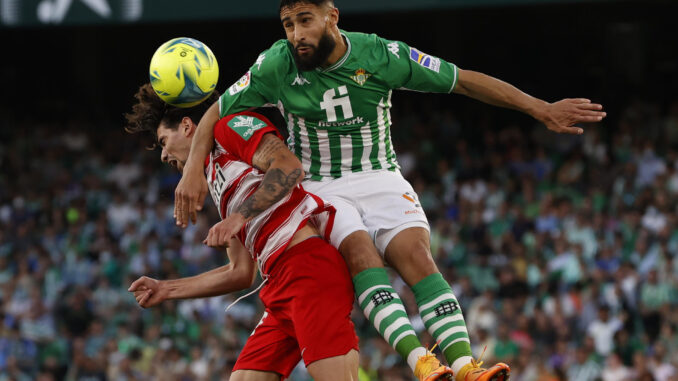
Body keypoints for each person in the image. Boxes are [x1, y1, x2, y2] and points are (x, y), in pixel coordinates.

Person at [173, 1, 607, 380]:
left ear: (332, 17)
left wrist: (539, 107)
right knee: (362, 252)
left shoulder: (380, 54)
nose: (297, 35)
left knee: (416, 256)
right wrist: (192, 170)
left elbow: (462, 80)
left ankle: (466, 366)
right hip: (322, 186)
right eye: (288, 25)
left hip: (379, 174)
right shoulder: (275, 64)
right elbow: (217, 108)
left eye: (305, 21)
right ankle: (422, 361)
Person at [123, 83, 364, 381]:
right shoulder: (217, 180)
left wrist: (238, 217)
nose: (163, 155)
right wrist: (166, 289)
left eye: (163, 141)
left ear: (187, 126)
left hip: (308, 270)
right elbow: (239, 272)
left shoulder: (228, 127)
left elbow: (289, 167)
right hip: (278, 288)